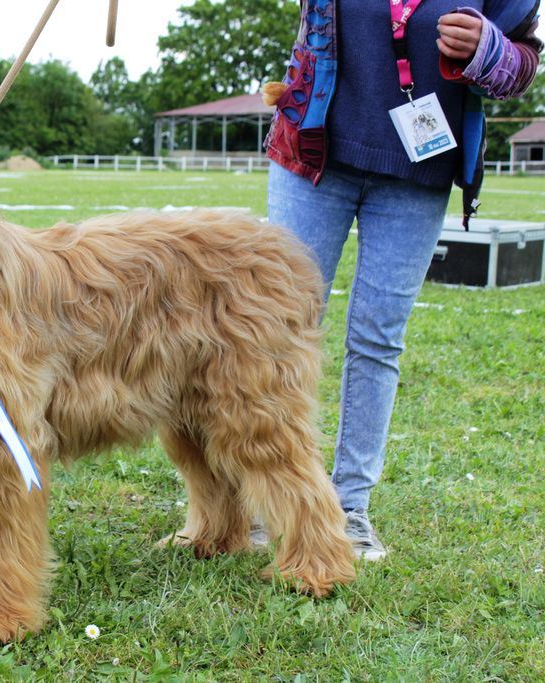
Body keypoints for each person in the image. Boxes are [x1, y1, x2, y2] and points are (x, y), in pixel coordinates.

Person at [262, 1, 541, 560]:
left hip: (419, 172)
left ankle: (348, 508)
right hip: (315, 155)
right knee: (273, 333)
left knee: (376, 338)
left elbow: (522, 64)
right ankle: (265, 501)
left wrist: (486, 46)